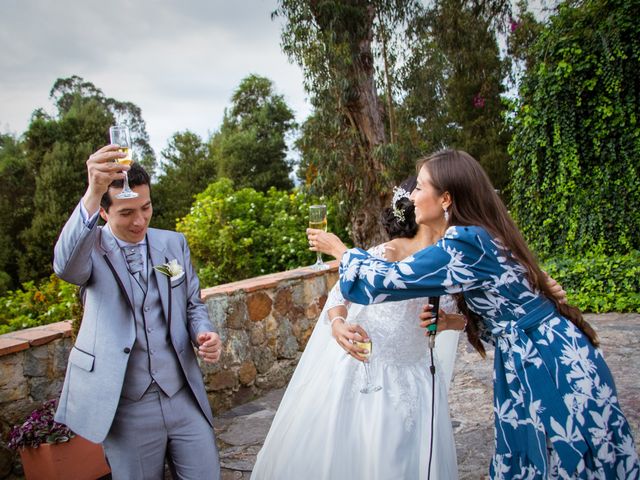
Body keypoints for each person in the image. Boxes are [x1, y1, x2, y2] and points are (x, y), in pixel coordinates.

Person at [309, 149, 640, 479]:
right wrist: (459, 321)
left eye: (421, 187)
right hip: (555, 351)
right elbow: (505, 303)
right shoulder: (483, 232)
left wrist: (341, 250)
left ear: (446, 199)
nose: (412, 197)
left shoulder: (465, 242)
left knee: (562, 457)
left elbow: (391, 280)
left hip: (545, 364)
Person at [251, 176, 462, 479]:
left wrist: (449, 321)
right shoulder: (385, 254)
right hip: (363, 374)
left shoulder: (455, 260)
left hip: (418, 378)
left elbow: (471, 318)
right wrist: (338, 325)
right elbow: (339, 297)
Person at [53, 144, 222, 479]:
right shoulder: (91, 249)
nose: (140, 220)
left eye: (146, 208)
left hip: (182, 394)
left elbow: (191, 303)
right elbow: (65, 267)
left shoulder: (173, 244)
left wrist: (204, 331)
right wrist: (93, 191)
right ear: (104, 213)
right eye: (126, 213)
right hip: (127, 405)